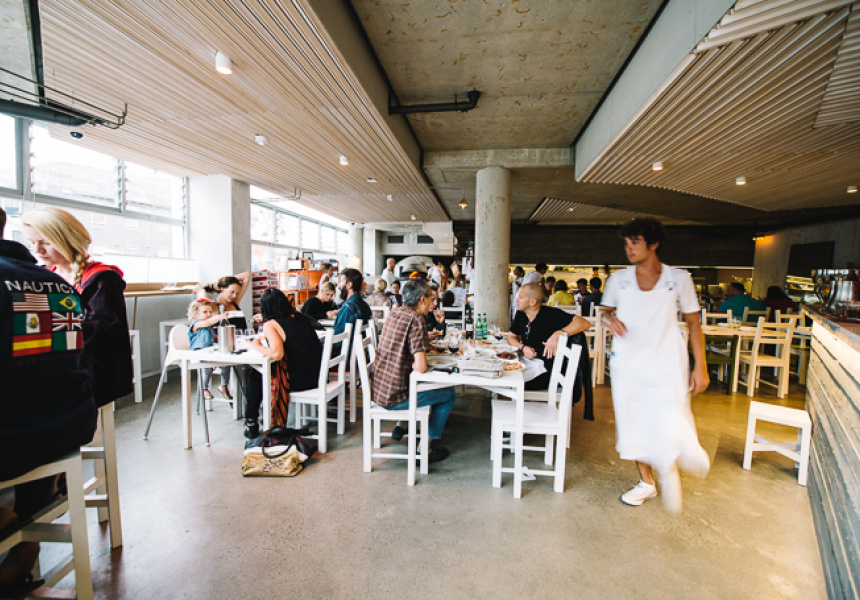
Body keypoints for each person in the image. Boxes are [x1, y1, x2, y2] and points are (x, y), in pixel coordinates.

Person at [1, 207, 97, 597]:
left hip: (16, 438)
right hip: (68, 424)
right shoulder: (57, 284)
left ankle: (17, 529)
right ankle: (26, 538)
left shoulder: (98, 277)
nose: (40, 249)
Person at [601, 217, 710, 514]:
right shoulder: (618, 279)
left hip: (667, 361)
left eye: (635, 242)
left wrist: (700, 367)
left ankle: (669, 461)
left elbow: (694, 324)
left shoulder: (679, 279)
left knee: (669, 412)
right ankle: (647, 482)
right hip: (628, 363)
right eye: (626, 243)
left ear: (654, 244)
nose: (629, 249)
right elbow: (604, 311)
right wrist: (610, 319)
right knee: (635, 420)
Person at [22, 208, 133, 409]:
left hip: (86, 372)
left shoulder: (100, 278)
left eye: (45, 243)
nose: (37, 251)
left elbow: (101, 330)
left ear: (68, 240)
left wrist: (49, 331)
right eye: (32, 243)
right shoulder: (40, 275)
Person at [371, 279, 456, 462]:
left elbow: (401, 348)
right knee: (448, 393)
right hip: (394, 397)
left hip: (378, 390)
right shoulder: (416, 319)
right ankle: (424, 449)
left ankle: (401, 426)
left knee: (425, 383)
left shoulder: (395, 312)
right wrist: (412, 361)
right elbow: (421, 367)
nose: (433, 302)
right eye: (431, 298)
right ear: (422, 299)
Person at [245, 288, 323, 437]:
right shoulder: (300, 318)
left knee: (257, 373)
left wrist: (256, 346)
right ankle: (254, 420)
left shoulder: (271, 325)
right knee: (261, 373)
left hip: (298, 381)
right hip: (317, 376)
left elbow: (277, 354)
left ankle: (251, 421)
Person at [507, 283, 591, 391]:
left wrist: (559, 333)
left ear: (532, 302)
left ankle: (514, 401)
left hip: (548, 372)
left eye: (521, 297)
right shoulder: (521, 314)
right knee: (506, 374)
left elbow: (585, 323)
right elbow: (511, 336)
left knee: (508, 380)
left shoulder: (550, 314)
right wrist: (523, 347)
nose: (516, 300)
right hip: (529, 364)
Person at [196, 272, 251, 399]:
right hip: (225, 344)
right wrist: (219, 283)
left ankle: (240, 394)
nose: (234, 295)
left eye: (237, 293)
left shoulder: (235, 302)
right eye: (231, 292)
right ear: (222, 289)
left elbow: (247, 275)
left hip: (241, 342)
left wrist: (221, 282)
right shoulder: (213, 306)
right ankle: (230, 390)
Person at [186, 298, 230, 399]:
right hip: (198, 352)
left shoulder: (208, 326)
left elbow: (212, 337)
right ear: (196, 315)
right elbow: (208, 322)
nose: (209, 314)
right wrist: (220, 317)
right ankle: (204, 388)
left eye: (210, 312)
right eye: (205, 312)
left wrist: (222, 339)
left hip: (208, 351)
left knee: (226, 363)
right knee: (207, 368)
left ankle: (224, 385)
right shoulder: (196, 324)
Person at [333, 268, 372, 351]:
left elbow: (337, 339)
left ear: (349, 285)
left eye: (341, 281)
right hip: (358, 351)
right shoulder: (364, 305)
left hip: (344, 353)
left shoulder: (348, 308)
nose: (339, 286)